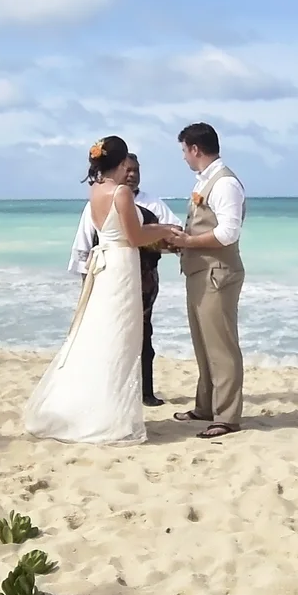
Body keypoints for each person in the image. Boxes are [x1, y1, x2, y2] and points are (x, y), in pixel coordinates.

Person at [26, 136, 180, 443]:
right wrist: (164, 229)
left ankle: (96, 408)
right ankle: (112, 417)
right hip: (122, 265)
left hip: (106, 265)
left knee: (104, 336)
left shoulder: (95, 190)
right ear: (122, 164)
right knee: (122, 341)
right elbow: (134, 236)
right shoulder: (121, 193)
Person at [69, 151, 179, 406]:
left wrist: (168, 242)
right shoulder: (106, 199)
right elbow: (85, 241)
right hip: (114, 274)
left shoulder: (153, 203)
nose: (131, 175)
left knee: (143, 334)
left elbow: (174, 235)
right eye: (127, 169)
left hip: (144, 279)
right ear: (116, 168)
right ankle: (113, 391)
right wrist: (85, 279)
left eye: (136, 170)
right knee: (112, 333)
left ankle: (145, 391)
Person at [170, 122, 247, 439]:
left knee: (221, 345)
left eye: (184, 151)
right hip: (199, 272)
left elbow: (229, 233)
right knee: (203, 343)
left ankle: (227, 415)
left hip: (217, 272)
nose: (184, 158)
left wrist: (188, 242)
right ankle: (205, 405)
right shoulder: (205, 181)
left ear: (194, 149)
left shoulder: (225, 183)